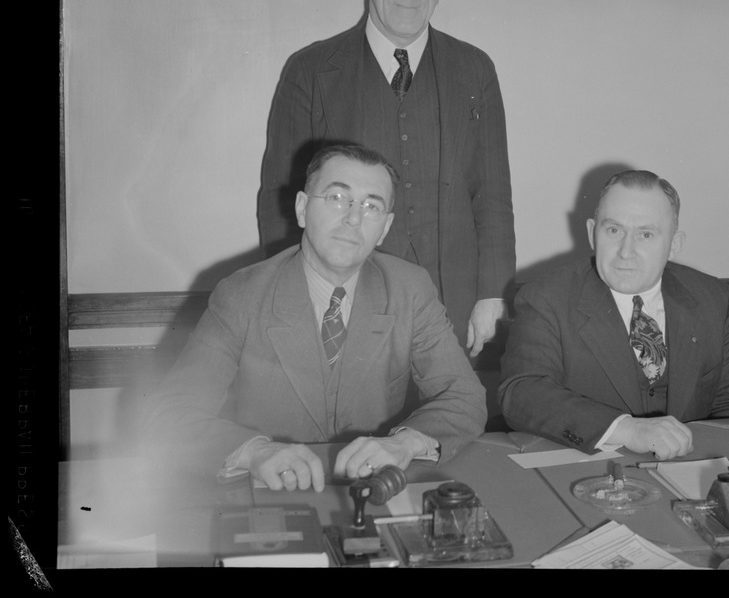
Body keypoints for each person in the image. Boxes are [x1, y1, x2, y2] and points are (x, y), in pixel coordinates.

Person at [148, 144, 486, 491]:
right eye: (338, 198)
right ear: (302, 209)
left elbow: (464, 395)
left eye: (371, 206)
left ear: (385, 228)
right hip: (271, 495)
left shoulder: (409, 289)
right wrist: (253, 453)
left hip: (373, 492)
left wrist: (405, 443)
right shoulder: (241, 295)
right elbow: (171, 412)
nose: (353, 218)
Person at [258, 0, 514, 358]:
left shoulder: (475, 70)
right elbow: (281, 199)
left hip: (449, 303)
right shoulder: (312, 71)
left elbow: (492, 192)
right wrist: (296, 299)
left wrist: (491, 292)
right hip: (342, 301)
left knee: (442, 422)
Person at [499, 170, 729, 460]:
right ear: (592, 233)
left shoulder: (712, 298)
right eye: (613, 231)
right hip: (586, 470)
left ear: (674, 245)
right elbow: (522, 394)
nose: (626, 251)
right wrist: (627, 430)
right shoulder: (547, 297)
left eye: (645, 234)